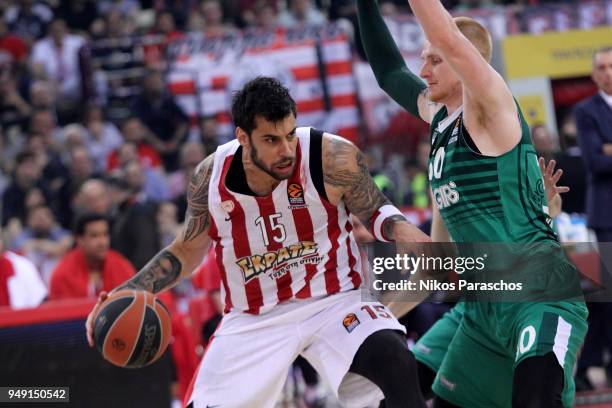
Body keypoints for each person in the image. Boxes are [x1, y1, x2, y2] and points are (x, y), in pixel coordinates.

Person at [86, 76, 431, 408]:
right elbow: (185, 251)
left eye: (290, 135)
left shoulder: (329, 155)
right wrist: (125, 293)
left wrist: (405, 231)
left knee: (395, 359)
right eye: (271, 140)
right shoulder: (210, 178)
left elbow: (374, 209)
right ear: (243, 137)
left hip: (334, 300)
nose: (286, 150)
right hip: (253, 318)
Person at [357, 1, 588, 407]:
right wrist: (377, 319)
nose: (423, 69)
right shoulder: (439, 124)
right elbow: (389, 72)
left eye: (434, 59)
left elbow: (447, 34)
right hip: (481, 310)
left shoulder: (488, 108)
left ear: (468, 62)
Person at [573, 46, 612, 389]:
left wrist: (609, 147)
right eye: (601, 67)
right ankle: (593, 362)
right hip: (606, 214)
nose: (608, 72)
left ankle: (591, 362)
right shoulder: (585, 110)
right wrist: (603, 152)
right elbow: (596, 162)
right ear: (594, 73)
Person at [49, 213, 135, 300]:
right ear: (80, 240)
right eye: (94, 236)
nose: (102, 242)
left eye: (105, 234)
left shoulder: (123, 267)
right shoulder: (62, 275)